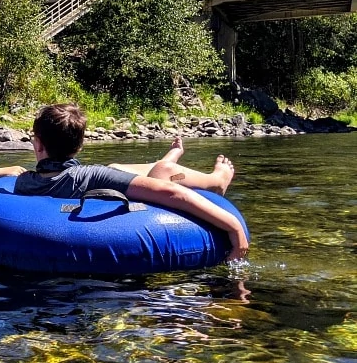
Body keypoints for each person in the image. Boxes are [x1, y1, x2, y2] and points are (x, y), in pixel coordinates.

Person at [16, 103, 249, 260]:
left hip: (97, 181)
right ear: (79, 146)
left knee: (116, 169)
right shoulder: (90, 176)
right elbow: (172, 193)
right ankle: (216, 180)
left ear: (37, 145)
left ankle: (167, 160)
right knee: (163, 172)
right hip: (125, 186)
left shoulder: (24, 183)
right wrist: (234, 227)